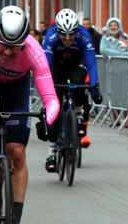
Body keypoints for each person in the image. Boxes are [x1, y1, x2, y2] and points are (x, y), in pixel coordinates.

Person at [0, 6, 60, 224]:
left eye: (14, 47)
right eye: (3, 44)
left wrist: (49, 119)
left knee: (16, 152)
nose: (6, 51)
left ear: (24, 44)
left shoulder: (34, 51)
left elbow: (51, 98)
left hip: (15, 87)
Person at [42, 9, 103, 169]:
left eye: (71, 35)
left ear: (77, 30)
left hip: (77, 63)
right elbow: (45, 67)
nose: (68, 39)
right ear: (58, 31)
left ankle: (79, 116)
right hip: (56, 66)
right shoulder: (51, 37)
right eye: (64, 35)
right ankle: (52, 152)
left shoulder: (84, 36)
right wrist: (46, 91)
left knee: (78, 83)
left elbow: (91, 64)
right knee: (55, 103)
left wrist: (95, 89)